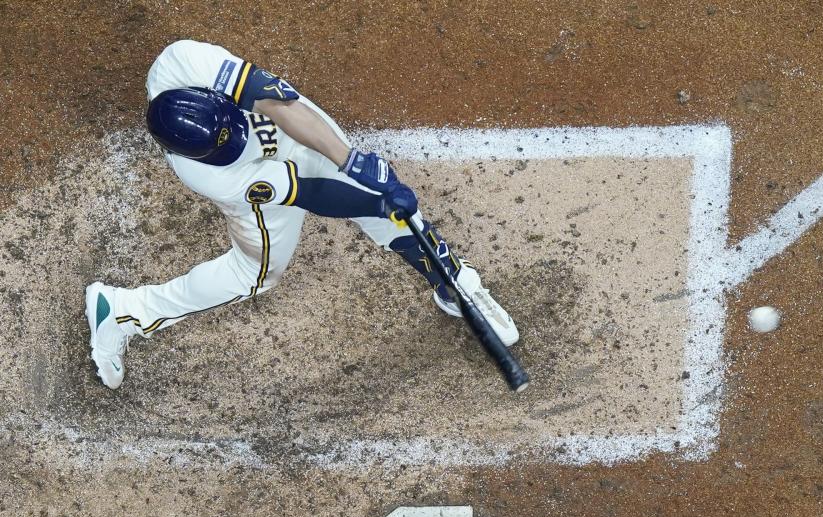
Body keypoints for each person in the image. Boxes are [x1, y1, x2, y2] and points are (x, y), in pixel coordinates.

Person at [85, 40, 518, 390]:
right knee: (252, 276)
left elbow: (281, 107)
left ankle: (452, 283)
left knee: (374, 189)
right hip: (271, 178)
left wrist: (352, 162)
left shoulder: (186, 61)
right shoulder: (211, 175)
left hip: (296, 125)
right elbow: (310, 192)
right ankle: (123, 310)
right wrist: (376, 200)